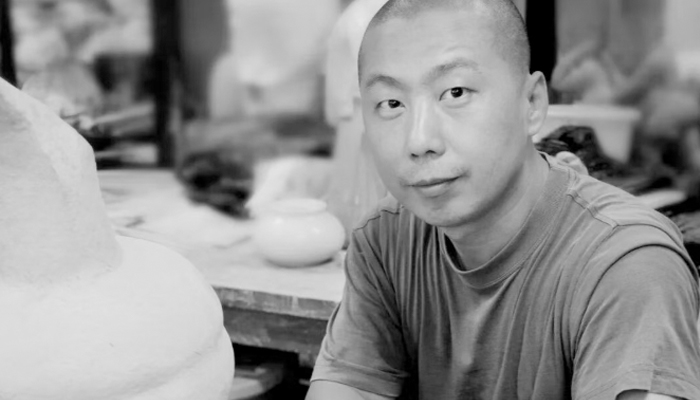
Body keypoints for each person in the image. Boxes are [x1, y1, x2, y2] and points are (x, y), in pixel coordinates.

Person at [306, 0, 700, 399]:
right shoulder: (386, 240)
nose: (419, 140)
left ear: (532, 104)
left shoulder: (626, 263)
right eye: (391, 104)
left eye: (455, 92)